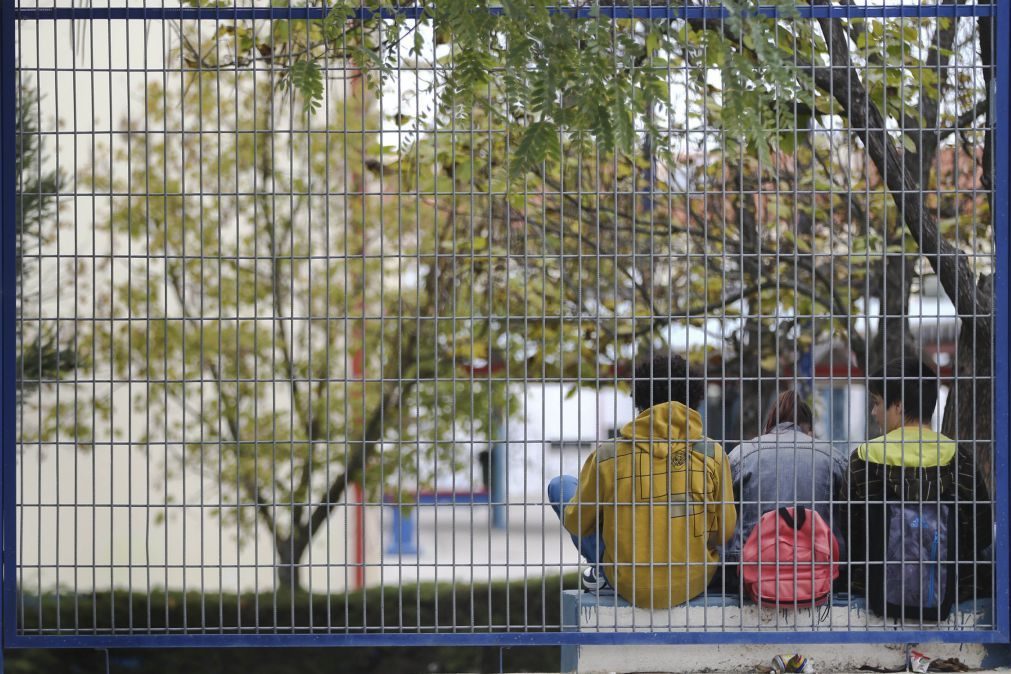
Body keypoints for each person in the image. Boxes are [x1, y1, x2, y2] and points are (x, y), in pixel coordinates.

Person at [546, 351, 737, 609]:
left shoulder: (607, 455)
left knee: (561, 485)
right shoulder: (712, 453)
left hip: (627, 583)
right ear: (693, 397)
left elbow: (577, 523)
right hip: (693, 579)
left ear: (640, 398)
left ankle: (602, 572)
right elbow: (724, 531)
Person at [845, 357, 992, 620]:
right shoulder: (962, 458)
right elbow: (980, 535)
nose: (873, 412)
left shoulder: (863, 458)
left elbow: (850, 534)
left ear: (898, 405)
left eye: (877, 402)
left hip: (875, 588)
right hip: (954, 590)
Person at [720, 390, 848, 592]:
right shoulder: (832, 456)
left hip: (752, 573)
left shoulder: (743, 454)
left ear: (770, 423)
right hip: (818, 572)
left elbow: (723, 511)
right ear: (809, 429)